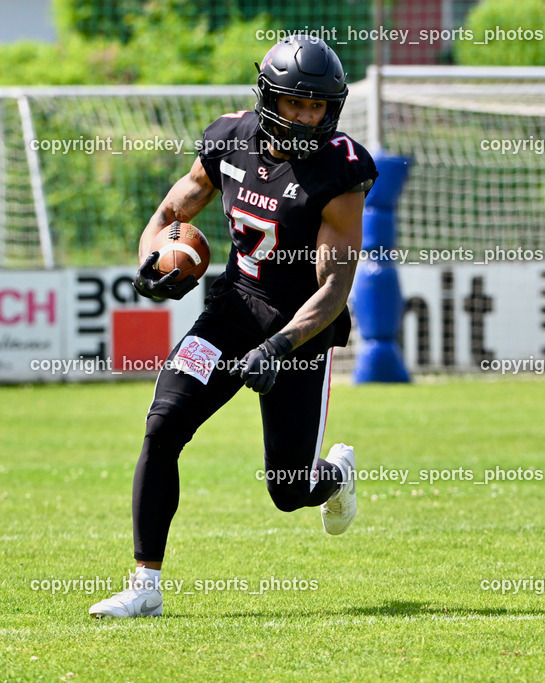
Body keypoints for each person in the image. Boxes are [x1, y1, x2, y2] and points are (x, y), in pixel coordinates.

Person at [89, 36, 377, 618]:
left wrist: (278, 346)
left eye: (318, 106)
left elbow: (333, 288)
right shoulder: (229, 139)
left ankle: (334, 476)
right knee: (163, 425)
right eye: (296, 103)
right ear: (269, 97)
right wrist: (150, 262)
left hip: (298, 328)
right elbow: (171, 213)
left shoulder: (339, 171)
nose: (308, 116)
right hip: (233, 309)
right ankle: (145, 585)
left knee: (288, 489)